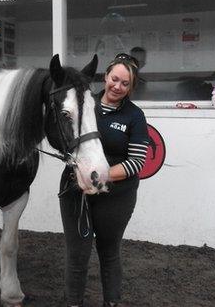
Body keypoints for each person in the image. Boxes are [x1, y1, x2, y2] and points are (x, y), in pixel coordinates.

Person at [59, 53, 149, 307]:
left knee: (109, 253)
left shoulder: (135, 116)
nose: (117, 87)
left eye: (125, 84)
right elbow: (66, 140)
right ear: (106, 76)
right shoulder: (86, 104)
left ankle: (112, 302)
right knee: (76, 256)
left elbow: (136, 162)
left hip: (116, 195)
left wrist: (99, 175)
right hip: (76, 190)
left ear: (131, 87)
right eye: (114, 79)